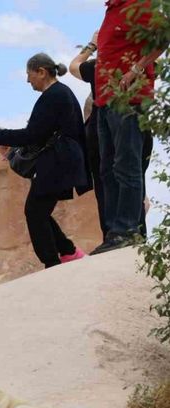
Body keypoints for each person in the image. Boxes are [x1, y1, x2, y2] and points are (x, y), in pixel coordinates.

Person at [0, 53, 91, 269]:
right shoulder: (60, 94)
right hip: (62, 161)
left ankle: (52, 262)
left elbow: (32, 134)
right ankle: (67, 251)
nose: (28, 81)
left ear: (41, 72)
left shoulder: (53, 96)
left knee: (34, 211)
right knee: (39, 210)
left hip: (58, 163)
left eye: (30, 75)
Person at [92, 0, 163, 253]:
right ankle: (115, 232)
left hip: (129, 100)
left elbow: (163, 37)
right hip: (106, 100)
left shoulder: (139, 3)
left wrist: (135, 69)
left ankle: (127, 231)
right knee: (108, 169)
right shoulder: (112, 8)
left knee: (126, 165)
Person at [70, 31, 154, 240]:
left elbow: (73, 66)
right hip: (142, 126)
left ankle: (114, 233)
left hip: (106, 129)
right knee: (134, 175)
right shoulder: (138, 65)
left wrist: (91, 45)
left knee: (107, 181)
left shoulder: (100, 68)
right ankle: (138, 233)